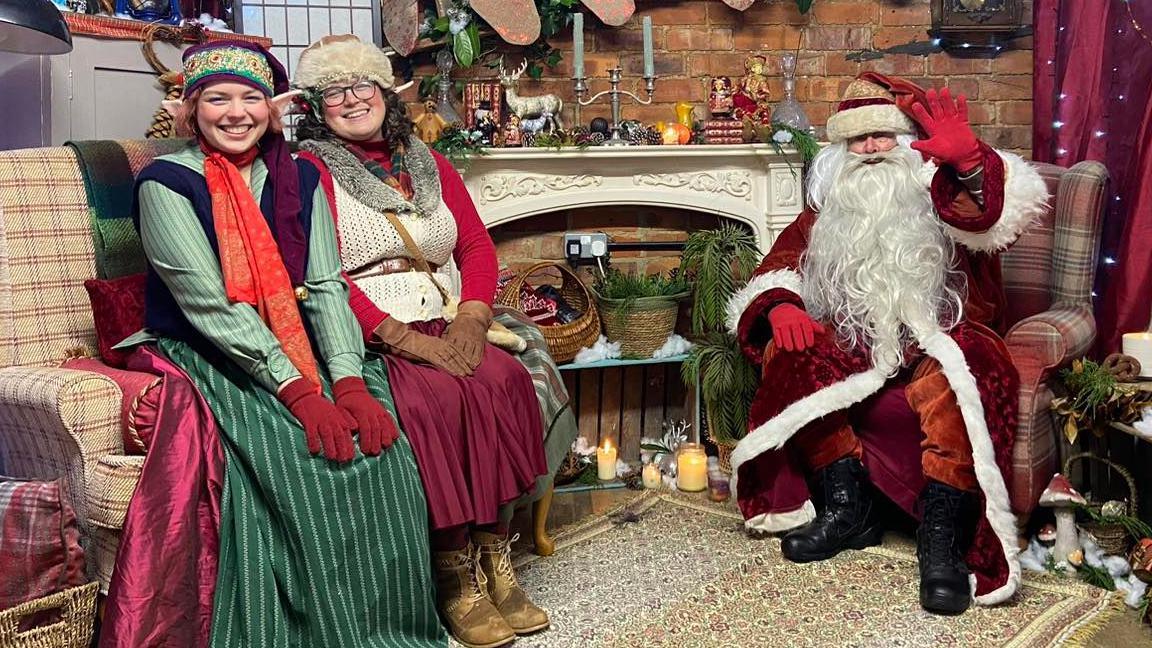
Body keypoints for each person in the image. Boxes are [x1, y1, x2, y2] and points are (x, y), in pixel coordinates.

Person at [99, 41, 445, 647]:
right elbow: (209, 307)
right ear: (190, 110)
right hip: (212, 348)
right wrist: (300, 393)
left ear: (273, 107)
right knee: (304, 463)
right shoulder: (166, 184)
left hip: (304, 336)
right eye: (217, 99)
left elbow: (326, 284)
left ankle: (387, 631)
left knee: (386, 451)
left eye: (251, 98)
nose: (236, 113)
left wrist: (348, 382)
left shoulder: (301, 174)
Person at [725, 73, 1049, 615]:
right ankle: (849, 508)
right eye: (858, 139)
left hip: (941, 331)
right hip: (857, 338)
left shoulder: (943, 194)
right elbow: (778, 265)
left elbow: (994, 220)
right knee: (792, 352)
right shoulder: (826, 213)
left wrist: (969, 161)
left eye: (882, 136)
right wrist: (780, 303)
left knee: (960, 376)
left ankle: (943, 540)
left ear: (906, 144)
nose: (871, 149)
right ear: (841, 150)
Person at [292, 35, 575, 648]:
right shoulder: (306, 172)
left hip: (448, 310)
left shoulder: (429, 159)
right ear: (316, 106)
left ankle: (495, 558)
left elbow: (473, 244)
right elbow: (321, 273)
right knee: (433, 403)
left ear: (384, 93)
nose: (350, 99)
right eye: (333, 91)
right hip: (374, 324)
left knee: (503, 383)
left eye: (361, 85)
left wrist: (473, 318)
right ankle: (453, 576)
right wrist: (400, 340)